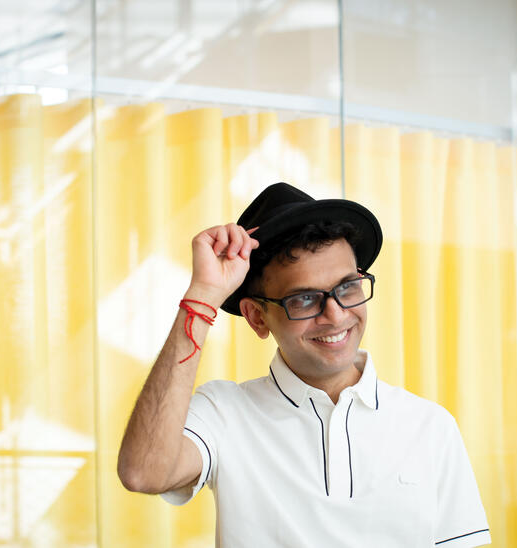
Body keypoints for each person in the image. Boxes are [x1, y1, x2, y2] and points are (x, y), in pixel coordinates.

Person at [116, 182, 491, 547]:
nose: (336, 315)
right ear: (257, 317)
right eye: (305, 299)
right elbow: (143, 472)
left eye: (347, 287)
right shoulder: (224, 412)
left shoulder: (431, 426)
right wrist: (203, 295)